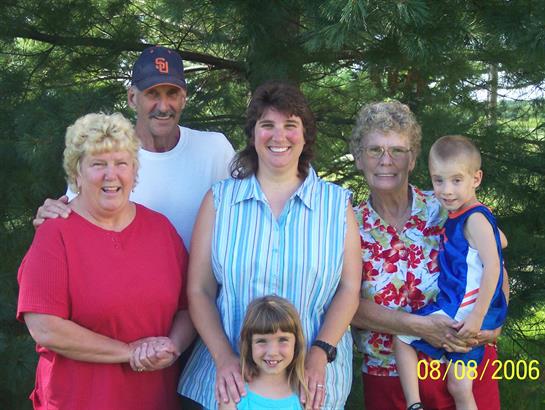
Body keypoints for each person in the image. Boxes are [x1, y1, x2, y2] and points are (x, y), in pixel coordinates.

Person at [178, 81, 362, 410]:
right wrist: (223, 357)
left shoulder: (336, 205)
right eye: (267, 125)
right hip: (228, 386)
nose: (279, 136)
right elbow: (199, 291)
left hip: (312, 385)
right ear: (253, 135)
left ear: (305, 135)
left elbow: (349, 288)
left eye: (290, 125)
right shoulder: (220, 200)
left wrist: (320, 353)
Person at [17, 112, 195, 410]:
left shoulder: (160, 230)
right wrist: (129, 352)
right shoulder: (55, 234)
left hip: (153, 400)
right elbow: (45, 327)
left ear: (134, 172)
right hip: (78, 401)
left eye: (121, 163)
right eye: (98, 164)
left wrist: (173, 347)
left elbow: (190, 305)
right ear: (77, 174)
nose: (111, 175)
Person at [349, 101, 509, 410]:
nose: (386, 161)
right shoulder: (349, 226)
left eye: (397, 150)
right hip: (391, 377)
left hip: (465, 362)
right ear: (358, 158)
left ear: (412, 161)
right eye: (374, 150)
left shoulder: (447, 207)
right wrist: (415, 326)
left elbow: (496, 265)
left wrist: (494, 325)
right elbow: (347, 304)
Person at [33, 45, 235, 248]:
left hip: (206, 280)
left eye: (172, 94)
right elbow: (73, 220)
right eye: (153, 94)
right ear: (132, 98)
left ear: (183, 99)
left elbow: (249, 210)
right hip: (130, 278)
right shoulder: (107, 157)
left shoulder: (215, 150)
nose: (164, 107)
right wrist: (51, 218)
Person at [394, 135, 508, 410]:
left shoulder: (474, 218)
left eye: (456, 180)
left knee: (402, 337)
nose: (446, 190)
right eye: (438, 180)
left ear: (476, 179)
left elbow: (494, 264)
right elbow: (501, 242)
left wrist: (478, 316)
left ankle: (414, 404)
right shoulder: (469, 215)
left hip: (464, 307)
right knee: (459, 386)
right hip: (471, 309)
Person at [219, 295, 307, 410]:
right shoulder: (234, 394)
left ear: (296, 342)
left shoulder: (305, 395)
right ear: (249, 344)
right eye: (262, 341)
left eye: (283, 340)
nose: (272, 352)